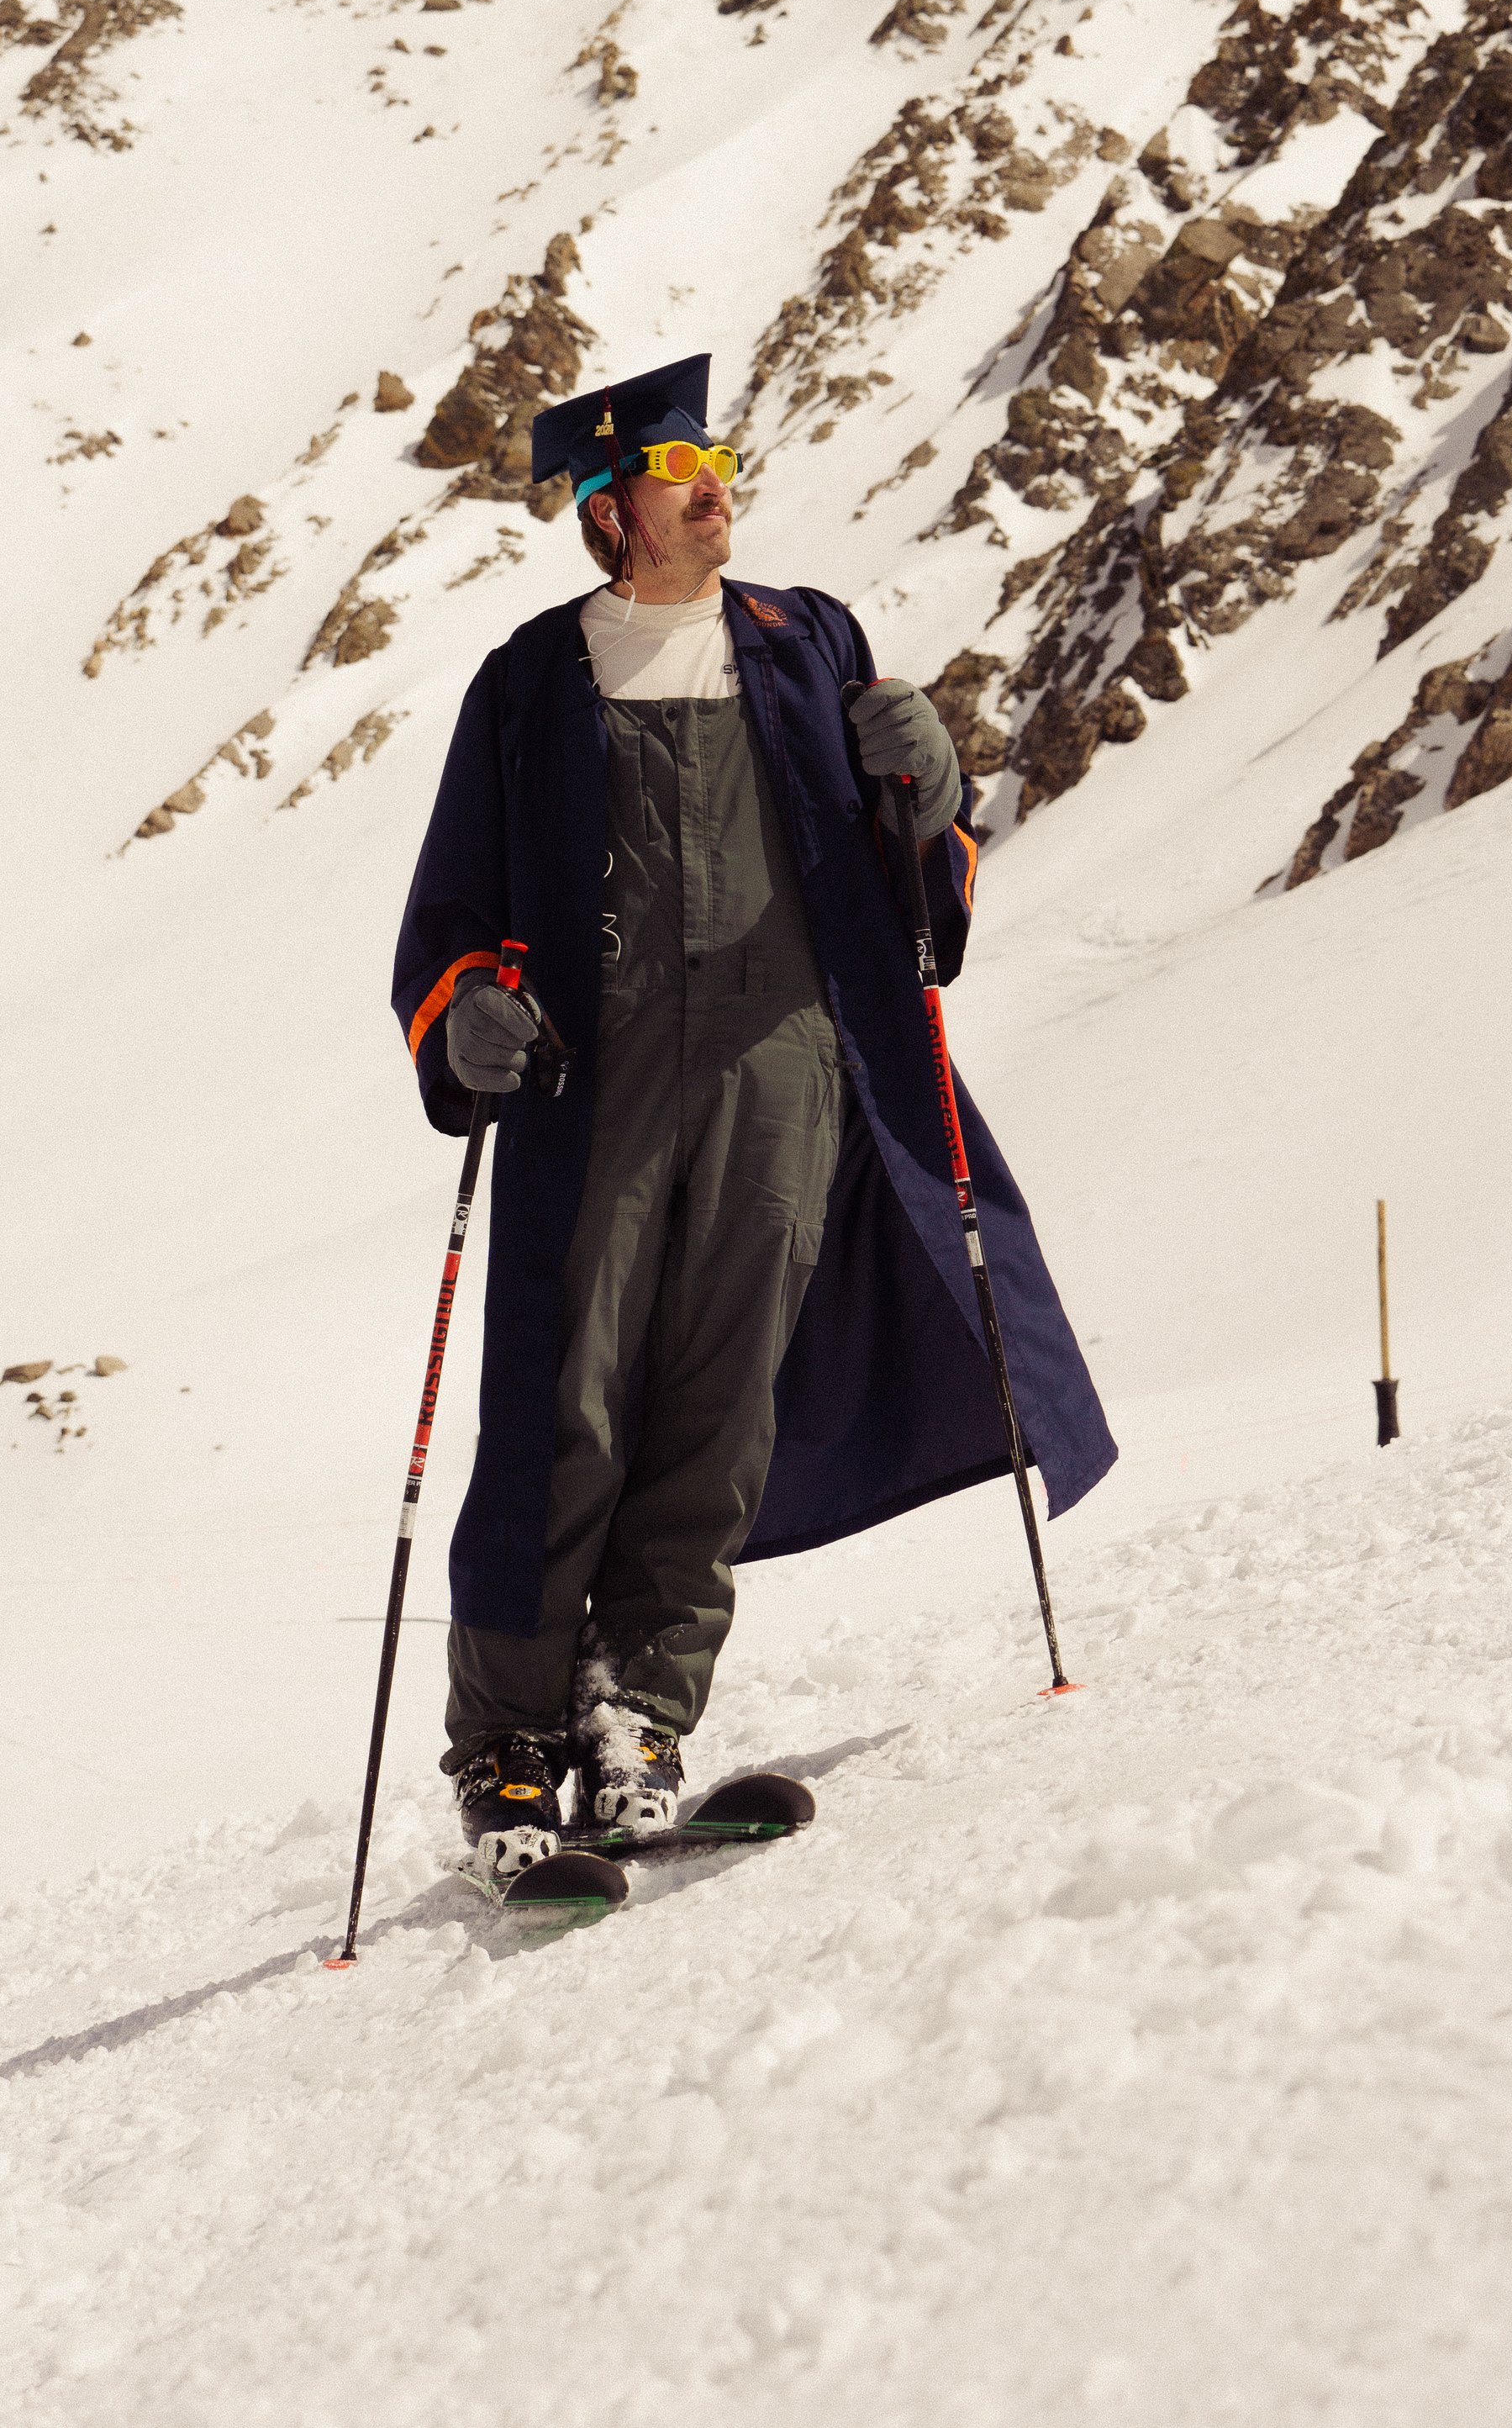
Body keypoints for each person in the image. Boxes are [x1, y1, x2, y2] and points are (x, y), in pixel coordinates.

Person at [392, 355, 1115, 1882]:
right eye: (679, 469)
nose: (716, 484)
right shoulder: (530, 682)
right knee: (568, 1395)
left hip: (787, 1062)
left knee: (726, 1396)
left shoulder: (804, 640)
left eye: (717, 458)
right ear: (610, 514)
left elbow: (910, 881)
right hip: (596, 1083)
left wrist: (931, 785)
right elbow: (452, 906)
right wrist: (465, 1010)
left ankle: (639, 1709)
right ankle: (511, 1747)